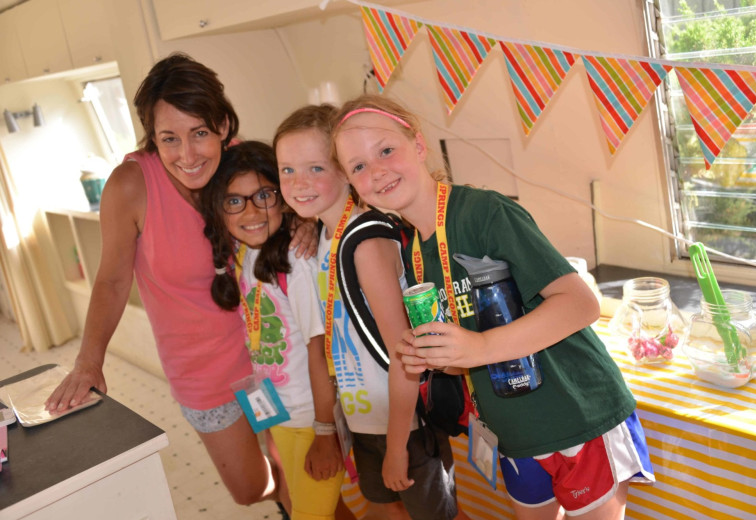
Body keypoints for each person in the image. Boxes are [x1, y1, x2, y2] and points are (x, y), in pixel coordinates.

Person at [330, 94, 656, 520]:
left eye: (386, 150)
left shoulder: (484, 212)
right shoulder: (412, 253)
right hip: (514, 431)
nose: (376, 170)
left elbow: (580, 304)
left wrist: (479, 348)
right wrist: (440, 356)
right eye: (358, 166)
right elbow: (463, 354)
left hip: (578, 415)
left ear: (420, 145)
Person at [44, 53, 314, 514]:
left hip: (272, 360)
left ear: (224, 125)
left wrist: (306, 222)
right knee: (251, 487)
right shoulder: (131, 185)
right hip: (204, 375)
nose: (188, 156)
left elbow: (291, 203)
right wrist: (89, 363)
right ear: (152, 136)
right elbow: (110, 280)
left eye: (200, 134)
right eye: (170, 138)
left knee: (296, 472)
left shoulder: (239, 166)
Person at [274, 104, 466, 520]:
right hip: (366, 419)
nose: (299, 183)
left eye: (315, 169)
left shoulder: (364, 239)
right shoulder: (320, 240)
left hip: (405, 422)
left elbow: (405, 352)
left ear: (344, 171)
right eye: (287, 170)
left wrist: (397, 446)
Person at [200, 140, 350, 520]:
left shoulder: (293, 263)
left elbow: (319, 351)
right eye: (234, 201)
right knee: (316, 509)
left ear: (282, 198)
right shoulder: (243, 251)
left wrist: (325, 433)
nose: (250, 211)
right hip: (278, 415)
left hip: (311, 421)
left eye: (263, 195)